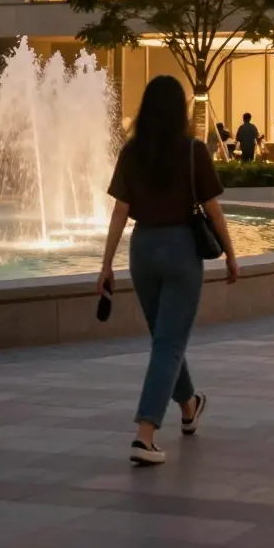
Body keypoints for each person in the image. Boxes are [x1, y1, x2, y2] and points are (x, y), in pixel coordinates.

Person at [98, 75, 239, 466]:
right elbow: (213, 209)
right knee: (168, 342)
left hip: (142, 250)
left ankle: (190, 405)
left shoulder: (132, 152)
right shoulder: (193, 151)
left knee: (165, 338)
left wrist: (106, 264)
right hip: (181, 250)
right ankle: (145, 434)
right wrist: (230, 254)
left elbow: (120, 212)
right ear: (179, 110)